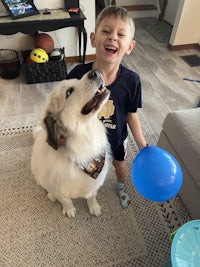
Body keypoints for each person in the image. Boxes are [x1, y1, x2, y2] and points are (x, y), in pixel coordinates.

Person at [66, 6, 147, 208]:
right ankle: (84, 186)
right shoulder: (77, 75)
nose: (113, 38)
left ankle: (120, 185)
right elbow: (66, 108)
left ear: (129, 46)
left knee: (119, 164)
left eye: (121, 34)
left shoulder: (132, 81)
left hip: (116, 138)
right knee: (82, 164)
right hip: (86, 140)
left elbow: (131, 114)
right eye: (106, 31)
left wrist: (143, 145)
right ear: (93, 39)